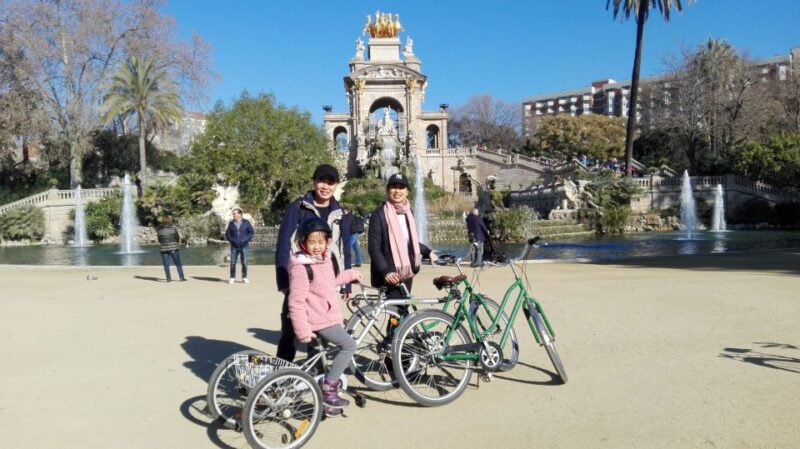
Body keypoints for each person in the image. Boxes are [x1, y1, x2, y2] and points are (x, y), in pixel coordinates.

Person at [275, 164, 351, 363]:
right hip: (300, 278)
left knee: (321, 331)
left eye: (330, 182)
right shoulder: (298, 208)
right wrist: (283, 281)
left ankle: (315, 374)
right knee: (290, 330)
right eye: (321, 181)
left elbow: (344, 248)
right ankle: (280, 373)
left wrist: (347, 284)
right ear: (314, 182)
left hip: (325, 280)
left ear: (336, 185)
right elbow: (284, 243)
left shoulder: (340, 212)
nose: (325, 186)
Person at [288, 217, 361, 417]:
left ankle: (323, 401)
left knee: (319, 362)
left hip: (325, 315)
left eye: (321, 242)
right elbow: (296, 302)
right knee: (349, 345)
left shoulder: (325, 259)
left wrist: (350, 275)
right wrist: (303, 331)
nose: (317, 246)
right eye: (312, 242)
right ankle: (329, 388)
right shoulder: (302, 266)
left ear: (327, 241)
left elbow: (330, 282)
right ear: (303, 243)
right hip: (319, 320)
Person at [368, 172, 436, 309]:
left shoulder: (408, 212)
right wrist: (385, 271)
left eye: (401, 187)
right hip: (390, 273)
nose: (397, 191)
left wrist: (428, 252)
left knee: (402, 311)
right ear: (388, 190)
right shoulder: (379, 214)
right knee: (398, 313)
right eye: (394, 187)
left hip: (406, 271)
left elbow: (409, 241)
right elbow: (374, 247)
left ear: (407, 191)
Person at [225, 208, 254, 284]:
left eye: (234, 213)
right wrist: (232, 240)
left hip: (244, 246)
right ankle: (232, 277)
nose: (233, 215)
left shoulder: (246, 222)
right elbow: (227, 234)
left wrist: (246, 240)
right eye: (233, 214)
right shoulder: (231, 223)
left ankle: (244, 277)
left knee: (244, 263)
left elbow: (251, 232)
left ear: (239, 214)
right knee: (233, 263)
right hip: (234, 246)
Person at [156, 216, 186, 282]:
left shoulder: (159, 230)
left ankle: (168, 278)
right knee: (178, 263)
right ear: (169, 221)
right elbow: (177, 238)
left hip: (164, 249)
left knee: (166, 265)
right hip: (174, 248)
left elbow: (159, 240)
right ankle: (181, 277)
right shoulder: (173, 228)